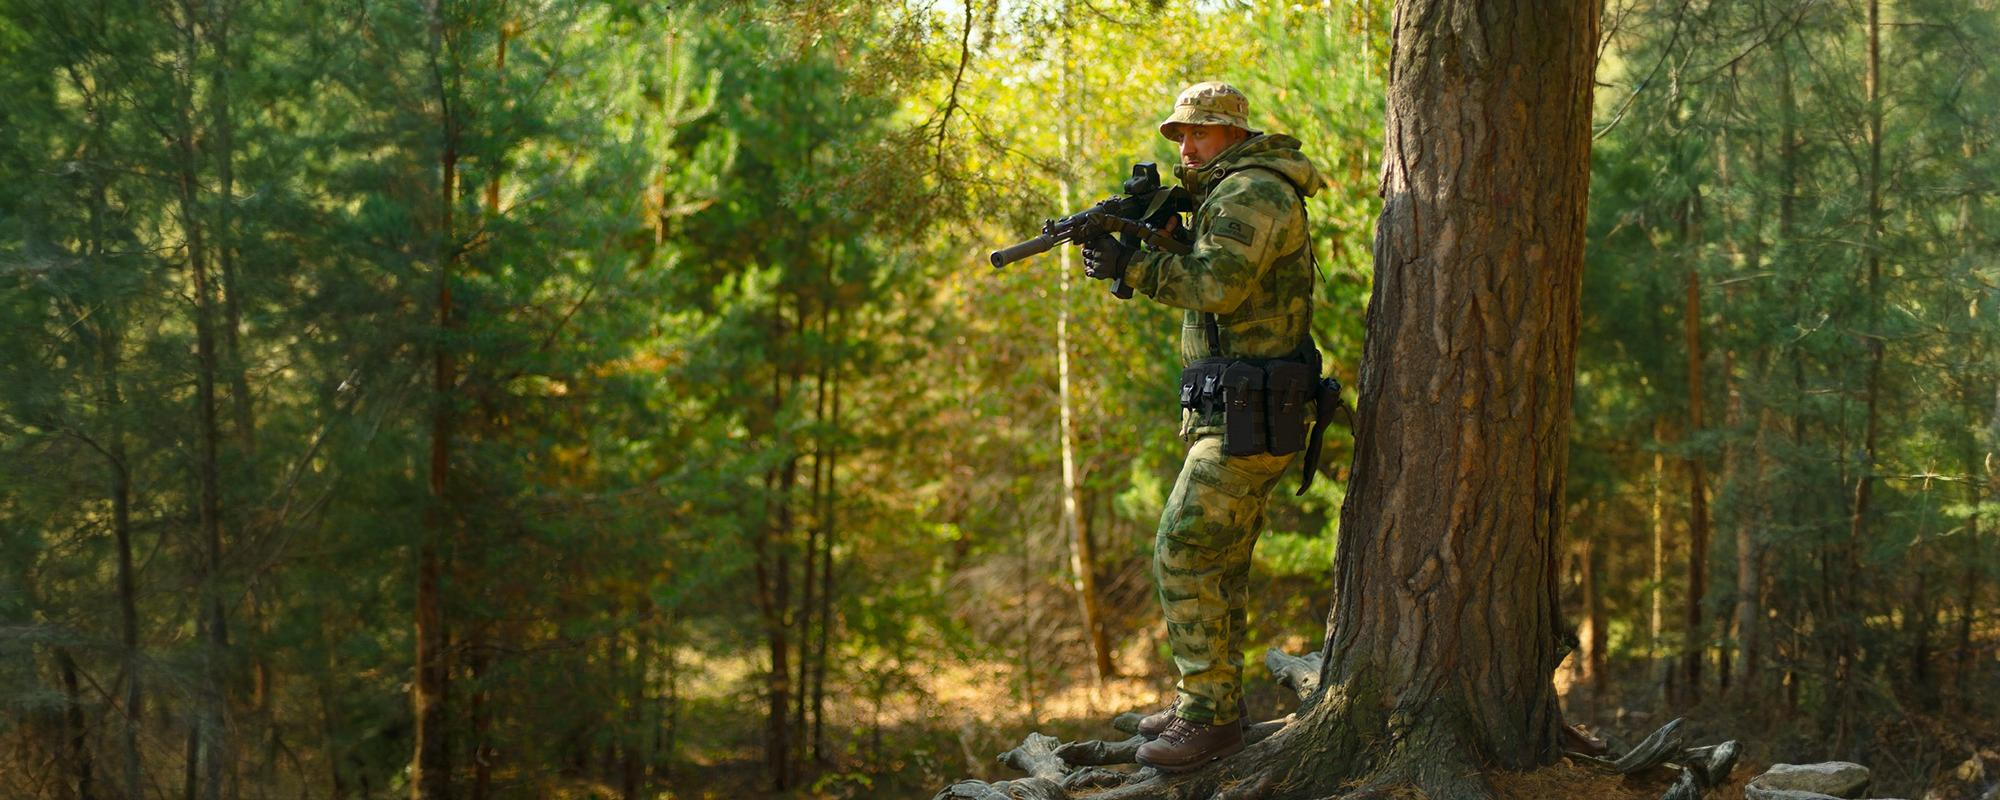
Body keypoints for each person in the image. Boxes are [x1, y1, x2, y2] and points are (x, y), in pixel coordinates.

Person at [1080, 81, 1327, 772]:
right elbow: (1217, 273)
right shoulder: (1228, 191)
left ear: (1235, 136)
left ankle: (1208, 719)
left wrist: (1136, 264)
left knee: (1184, 548)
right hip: (1238, 408)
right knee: (1218, 561)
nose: (1187, 147)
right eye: (1182, 135)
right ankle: (1214, 702)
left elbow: (1218, 285)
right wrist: (1159, 242)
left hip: (1253, 411)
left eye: (1202, 133)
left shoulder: (1253, 191)